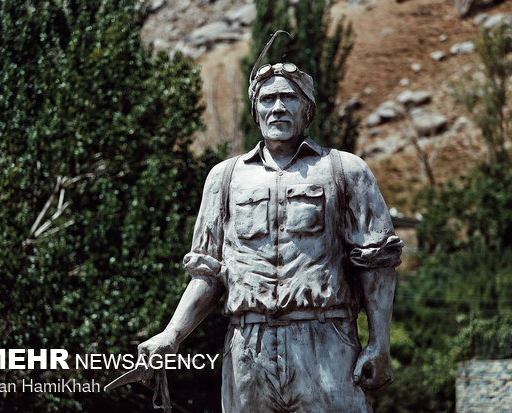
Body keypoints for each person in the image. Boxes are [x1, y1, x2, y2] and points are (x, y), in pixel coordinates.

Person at [138, 32, 404, 412]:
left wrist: (380, 343)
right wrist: (172, 335)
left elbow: (377, 263)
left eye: (289, 97)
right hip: (247, 347)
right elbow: (208, 273)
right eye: (267, 99)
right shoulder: (224, 178)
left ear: (307, 109)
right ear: (256, 110)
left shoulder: (346, 171)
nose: (277, 107)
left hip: (325, 340)